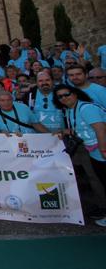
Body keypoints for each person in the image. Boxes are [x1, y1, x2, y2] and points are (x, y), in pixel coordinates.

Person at [52, 85, 106, 227]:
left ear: (75, 94)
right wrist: (65, 131)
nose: (64, 98)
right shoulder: (71, 110)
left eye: (67, 94)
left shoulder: (86, 108)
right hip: (93, 151)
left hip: (100, 151)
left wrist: (103, 149)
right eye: (60, 96)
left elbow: (100, 128)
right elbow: (79, 128)